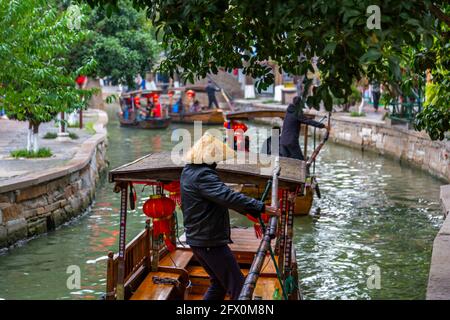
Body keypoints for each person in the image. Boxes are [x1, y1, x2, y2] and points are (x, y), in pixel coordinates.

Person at [180, 133, 280, 300]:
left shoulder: (188, 170)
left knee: (218, 285)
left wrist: (252, 208)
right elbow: (228, 197)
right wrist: (262, 207)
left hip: (198, 239)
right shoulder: (203, 175)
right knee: (240, 288)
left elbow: (222, 198)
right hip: (208, 241)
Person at [280, 96, 328, 160]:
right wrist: (323, 126)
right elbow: (308, 121)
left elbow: (298, 119)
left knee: (286, 161)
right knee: (300, 161)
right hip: (291, 141)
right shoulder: (297, 113)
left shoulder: (288, 112)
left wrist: (306, 118)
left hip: (283, 141)